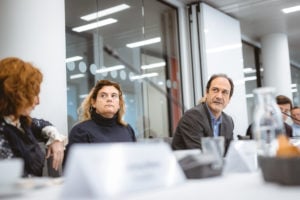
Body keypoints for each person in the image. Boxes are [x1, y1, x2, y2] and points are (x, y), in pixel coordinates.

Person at [0, 57, 67, 177]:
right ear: (16, 94)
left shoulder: (20, 122)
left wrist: (56, 139)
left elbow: (42, 124)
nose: (38, 101)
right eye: (33, 94)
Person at [65, 80, 136, 163]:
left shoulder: (128, 129)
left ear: (119, 104)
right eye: (103, 95)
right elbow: (73, 168)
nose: (109, 99)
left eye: (114, 96)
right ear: (93, 102)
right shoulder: (80, 131)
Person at [172, 74, 234, 155]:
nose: (219, 96)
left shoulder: (228, 121)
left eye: (225, 92)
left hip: (215, 166)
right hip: (189, 166)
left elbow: (230, 154)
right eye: (215, 90)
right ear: (207, 93)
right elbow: (201, 156)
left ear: (229, 99)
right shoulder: (192, 117)